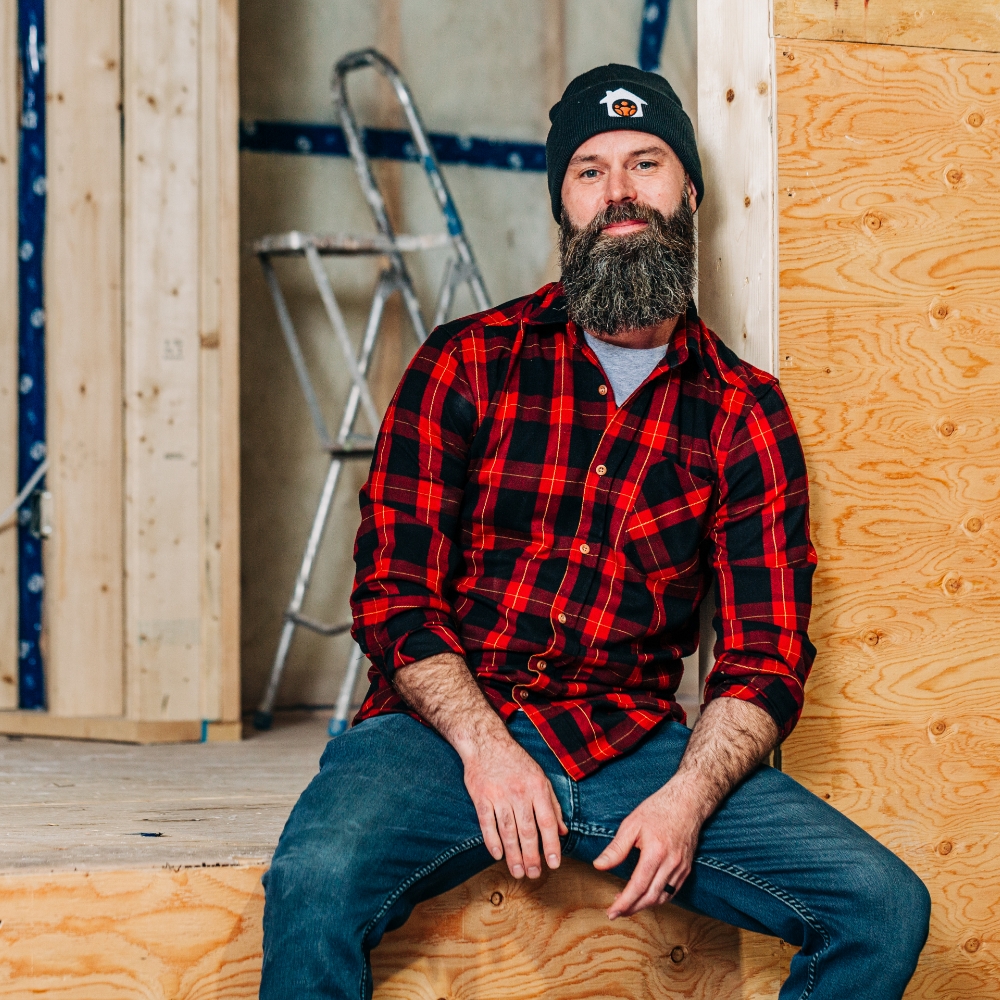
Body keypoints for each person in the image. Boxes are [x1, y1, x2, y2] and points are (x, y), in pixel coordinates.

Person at [260, 64, 930, 1000]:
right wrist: (488, 751)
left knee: (882, 903)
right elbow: (392, 596)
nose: (620, 192)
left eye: (645, 162)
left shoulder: (744, 413)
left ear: (688, 190)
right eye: (589, 170)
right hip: (443, 733)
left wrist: (688, 801)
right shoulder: (464, 364)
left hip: (631, 745)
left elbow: (765, 658)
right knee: (314, 880)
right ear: (562, 209)